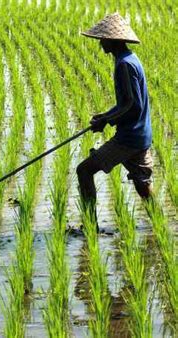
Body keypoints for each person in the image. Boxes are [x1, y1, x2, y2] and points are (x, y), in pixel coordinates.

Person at [76, 13, 153, 231]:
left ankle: (90, 227)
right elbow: (127, 104)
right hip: (141, 134)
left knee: (84, 170)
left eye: (103, 39)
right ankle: (159, 224)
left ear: (113, 40)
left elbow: (132, 105)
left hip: (128, 139)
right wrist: (105, 116)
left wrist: (106, 121)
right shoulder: (131, 59)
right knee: (142, 185)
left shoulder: (123, 66)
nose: (100, 43)